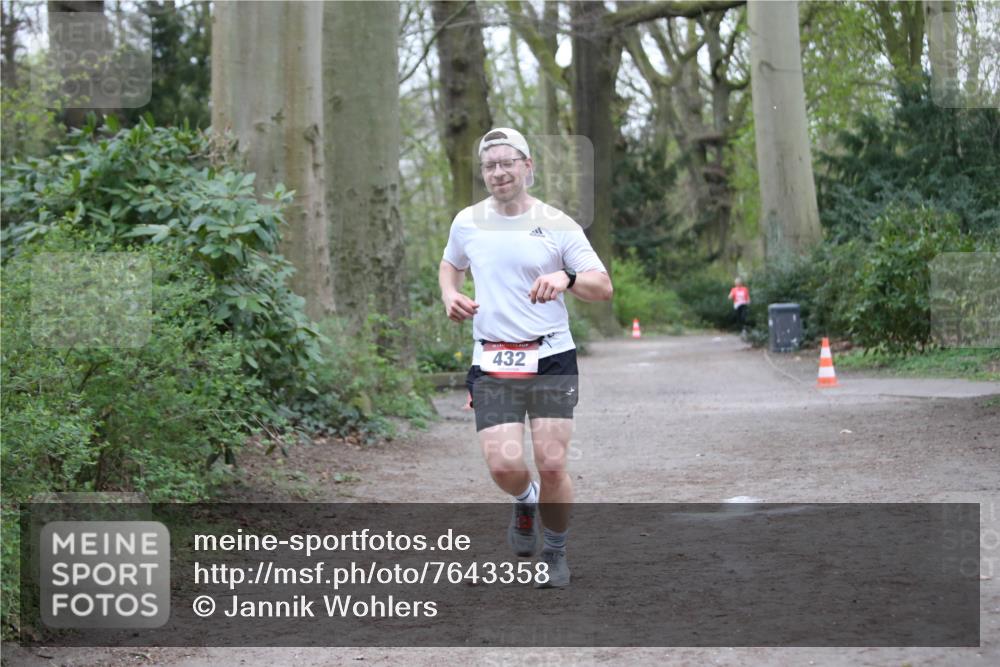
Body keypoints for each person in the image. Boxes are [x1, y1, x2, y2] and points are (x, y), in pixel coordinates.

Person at [439, 128, 613, 588]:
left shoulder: (557, 223)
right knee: (503, 465)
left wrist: (566, 279)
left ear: (528, 166)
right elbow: (451, 263)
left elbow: (602, 286)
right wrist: (449, 293)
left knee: (552, 462)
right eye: (490, 165)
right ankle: (525, 499)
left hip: (551, 355)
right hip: (493, 359)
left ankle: (554, 552)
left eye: (507, 162)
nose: (498, 172)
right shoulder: (467, 222)